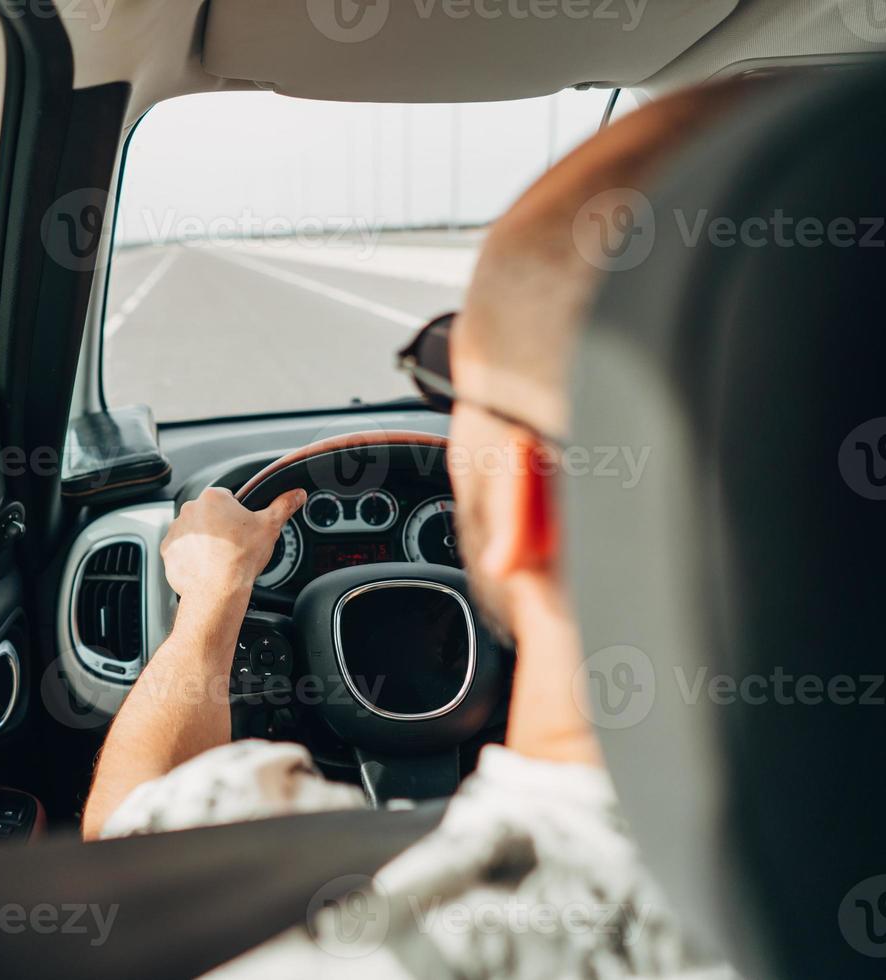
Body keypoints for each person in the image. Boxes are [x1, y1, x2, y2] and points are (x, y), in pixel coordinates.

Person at [80, 81, 751, 977]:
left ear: (525, 501)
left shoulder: (314, 932)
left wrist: (212, 598)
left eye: (454, 390)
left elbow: (123, 838)